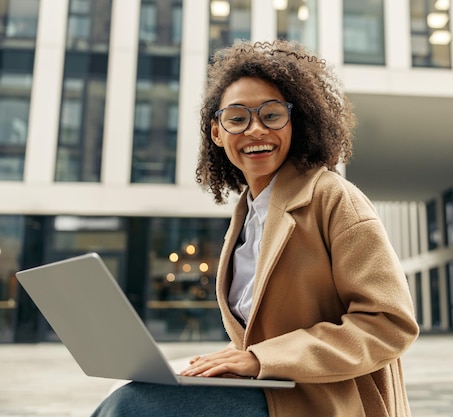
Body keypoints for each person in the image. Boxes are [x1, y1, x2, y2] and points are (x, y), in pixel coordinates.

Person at [91, 39, 419, 417]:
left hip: (326, 401)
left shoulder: (333, 198)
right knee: (133, 392)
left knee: (132, 407)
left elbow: (388, 323)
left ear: (296, 122)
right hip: (272, 390)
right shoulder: (246, 214)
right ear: (217, 133)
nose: (255, 130)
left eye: (272, 114)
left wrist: (259, 359)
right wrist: (229, 360)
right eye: (237, 118)